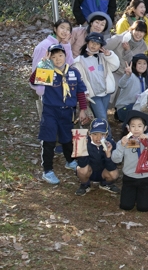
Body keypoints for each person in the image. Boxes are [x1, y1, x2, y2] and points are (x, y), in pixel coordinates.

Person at [30, 44, 88, 184]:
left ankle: (70, 160)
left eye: (60, 55)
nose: (58, 59)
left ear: (65, 56)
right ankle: (47, 170)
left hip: (68, 111)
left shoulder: (73, 71)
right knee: (49, 140)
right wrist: (43, 64)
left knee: (67, 138)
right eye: (53, 57)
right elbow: (33, 81)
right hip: (51, 111)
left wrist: (83, 109)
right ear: (50, 58)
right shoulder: (49, 71)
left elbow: (80, 91)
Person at [112, 110, 148, 212]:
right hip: (129, 177)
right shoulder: (124, 141)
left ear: (145, 128)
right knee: (126, 206)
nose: (136, 129)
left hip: (146, 177)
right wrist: (122, 146)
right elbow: (115, 159)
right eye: (133, 126)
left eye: (140, 126)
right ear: (128, 128)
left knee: (144, 208)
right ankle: (134, 195)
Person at [72, 32, 120, 126]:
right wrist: (84, 92)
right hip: (93, 95)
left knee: (100, 117)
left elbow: (115, 66)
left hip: (105, 93)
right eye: (92, 42)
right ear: (87, 43)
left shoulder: (103, 57)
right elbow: (79, 79)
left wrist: (109, 55)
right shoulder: (79, 60)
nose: (94, 45)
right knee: (103, 118)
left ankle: (98, 137)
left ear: (100, 46)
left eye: (97, 43)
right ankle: (108, 138)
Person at [75, 118, 120, 196]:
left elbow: (112, 167)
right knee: (81, 169)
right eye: (95, 134)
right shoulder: (85, 142)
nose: (98, 138)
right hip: (90, 171)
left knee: (114, 174)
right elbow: (81, 164)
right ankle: (85, 184)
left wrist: (108, 155)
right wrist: (83, 150)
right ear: (89, 134)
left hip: (103, 172)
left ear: (106, 135)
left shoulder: (111, 143)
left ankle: (105, 183)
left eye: (102, 134)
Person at [31, 19, 74, 99]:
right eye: (62, 27)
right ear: (55, 29)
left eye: (68, 29)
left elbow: (69, 64)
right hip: (46, 90)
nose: (65, 31)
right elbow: (37, 69)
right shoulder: (44, 46)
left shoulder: (64, 44)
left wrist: (66, 45)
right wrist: (41, 90)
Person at [104, 20, 148, 87]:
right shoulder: (120, 39)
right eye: (137, 30)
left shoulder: (142, 47)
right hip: (111, 73)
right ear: (132, 29)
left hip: (127, 77)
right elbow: (104, 47)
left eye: (142, 32)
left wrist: (127, 50)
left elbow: (134, 64)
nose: (139, 34)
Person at [115, 53, 148, 122]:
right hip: (125, 108)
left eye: (144, 63)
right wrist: (127, 75)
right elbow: (121, 84)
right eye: (139, 63)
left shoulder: (145, 79)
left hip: (138, 107)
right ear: (134, 64)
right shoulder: (131, 76)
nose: (142, 66)